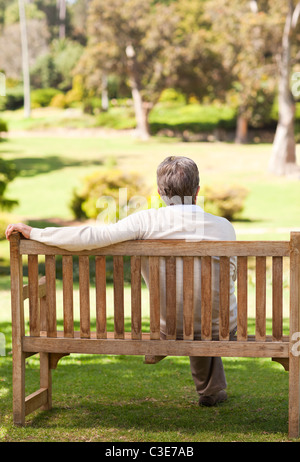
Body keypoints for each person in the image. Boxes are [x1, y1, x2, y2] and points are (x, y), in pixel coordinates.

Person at [6, 156, 237, 407]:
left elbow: (92, 236)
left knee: (187, 315)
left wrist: (36, 233)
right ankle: (211, 390)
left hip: (170, 328)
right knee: (206, 314)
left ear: (160, 192)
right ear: (197, 191)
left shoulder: (146, 221)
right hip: (221, 328)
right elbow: (230, 277)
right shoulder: (223, 227)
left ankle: (211, 389)